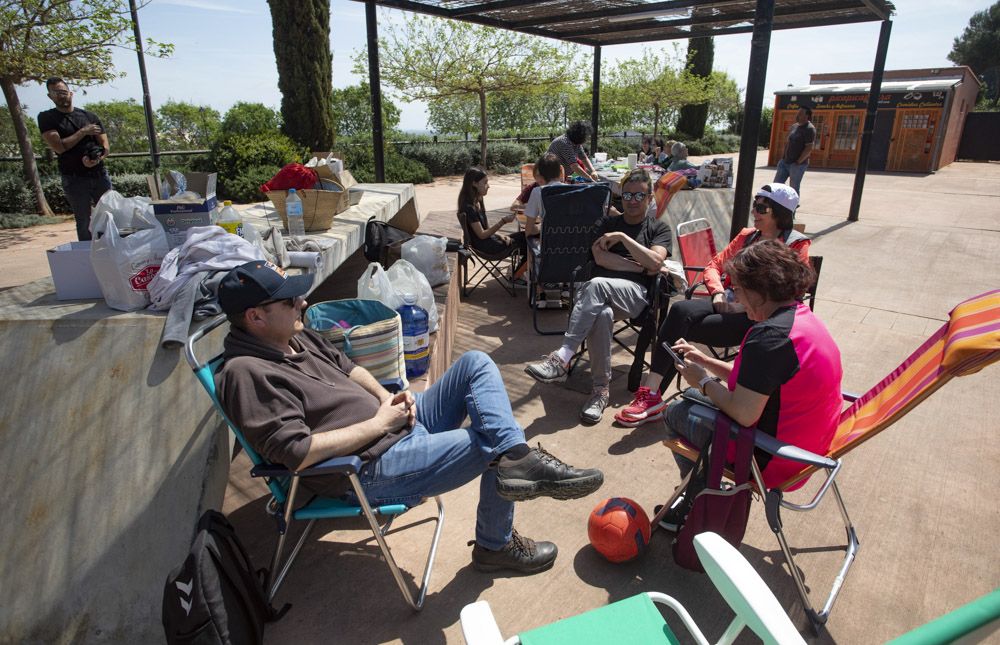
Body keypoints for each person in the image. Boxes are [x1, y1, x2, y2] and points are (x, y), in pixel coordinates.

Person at [214, 261, 605, 573]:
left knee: (475, 363)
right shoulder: (247, 372)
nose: (302, 303)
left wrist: (389, 398)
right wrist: (380, 424)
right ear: (256, 317)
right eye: (289, 301)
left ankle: (518, 457)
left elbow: (349, 366)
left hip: (396, 428)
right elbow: (296, 451)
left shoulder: (292, 336)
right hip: (367, 468)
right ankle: (495, 544)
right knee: (489, 443)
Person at [657, 241, 842, 529]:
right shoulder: (799, 320)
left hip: (774, 457)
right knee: (693, 394)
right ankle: (701, 487)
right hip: (810, 446)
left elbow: (744, 413)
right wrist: (706, 362)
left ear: (760, 290)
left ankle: (698, 497)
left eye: (739, 289)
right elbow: (761, 382)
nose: (736, 298)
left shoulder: (768, 337)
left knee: (675, 412)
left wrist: (703, 380)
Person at [616, 183, 810, 427]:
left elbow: (794, 291)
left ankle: (653, 398)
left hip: (756, 318)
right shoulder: (747, 236)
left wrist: (744, 305)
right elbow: (713, 266)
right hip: (728, 300)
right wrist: (718, 293)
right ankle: (652, 392)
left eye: (762, 207)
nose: (755, 211)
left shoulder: (796, 244)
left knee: (678, 328)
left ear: (780, 213)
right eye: (755, 205)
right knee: (679, 311)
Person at [524, 168, 671, 424]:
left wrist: (624, 239)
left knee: (596, 284)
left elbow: (656, 262)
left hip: (636, 296)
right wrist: (640, 265)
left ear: (649, 199)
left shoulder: (658, 228)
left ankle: (563, 357)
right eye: (627, 195)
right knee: (601, 314)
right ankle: (600, 392)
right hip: (601, 297)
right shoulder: (605, 224)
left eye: (639, 196)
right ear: (620, 197)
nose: (632, 200)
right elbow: (601, 256)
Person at [37, 78, 112, 241]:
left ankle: (111, 250)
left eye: (63, 92)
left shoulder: (89, 116)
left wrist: (97, 158)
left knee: (109, 215)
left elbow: (105, 145)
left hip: (99, 175)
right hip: (74, 178)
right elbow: (59, 147)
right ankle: (86, 255)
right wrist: (83, 132)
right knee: (84, 220)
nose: (61, 96)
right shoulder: (47, 118)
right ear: (50, 96)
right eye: (55, 93)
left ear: (71, 93)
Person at [458, 167, 526, 274]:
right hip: (488, 248)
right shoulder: (468, 207)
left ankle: (519, 273)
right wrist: (503, 221)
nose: (488, 186)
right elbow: (482, 235)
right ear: (474, 184)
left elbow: (486, 229)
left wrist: (500, 235)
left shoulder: (478, 200)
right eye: (485, 183)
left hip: (491, 241)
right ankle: (519, 276)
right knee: (529, 243)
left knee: (526, 235)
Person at [522, 154, 565, 306]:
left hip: (549, 256)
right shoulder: (575, 191)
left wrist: (542, 227)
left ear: (540, 175)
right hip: (574, 256)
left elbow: (528, 231)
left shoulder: (538, 192)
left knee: (532, 245)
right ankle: (565, 287)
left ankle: (542, 290)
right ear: (560, 171)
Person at [774, 106, 816, 198]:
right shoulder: (794, 126)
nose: (797, 115)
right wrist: (783, 157)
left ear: (807, 116)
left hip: (797, 165)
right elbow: (788, 141)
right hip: (784, 162)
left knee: (793, 189)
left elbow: (809, 148)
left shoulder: (810, 129)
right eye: (798, 113)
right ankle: (776, 207)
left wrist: (798, 162)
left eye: (801, 113)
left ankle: (791, 209)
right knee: (776, 185)